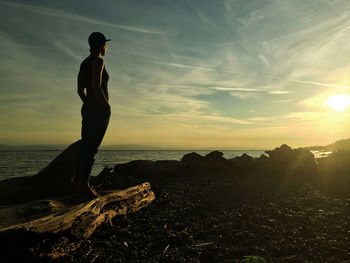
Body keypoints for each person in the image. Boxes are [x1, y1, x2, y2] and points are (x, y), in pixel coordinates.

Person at [72, 32, 111, 198]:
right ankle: (83, 184)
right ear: (102, 45)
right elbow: (96, 86)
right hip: (98, 110)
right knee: (91, 147)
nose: (107, 47)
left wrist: (87, 103)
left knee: (85, 145)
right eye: (106, 44)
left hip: (88, 108)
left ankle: (78, 181)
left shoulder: (84, 62)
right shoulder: (98, 62)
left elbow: (80, 90)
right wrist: (105, 106)